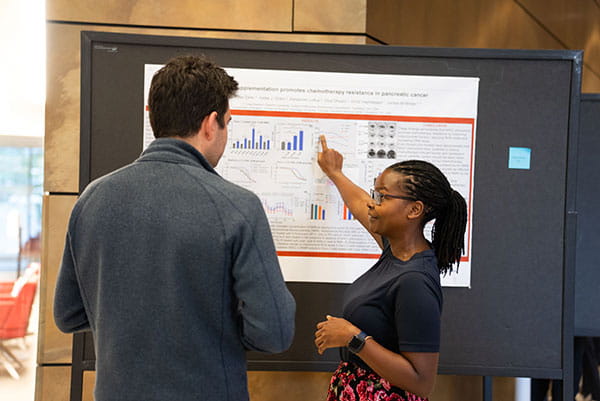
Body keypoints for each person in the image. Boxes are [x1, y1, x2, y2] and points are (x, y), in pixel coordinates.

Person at [54, 55, 296, 401]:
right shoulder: (236, 206)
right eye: (228, 122)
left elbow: (68, 314)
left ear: (153, 114)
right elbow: (274, 332)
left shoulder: (93, 199)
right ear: (211, 124)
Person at [314, 135, 467, 401]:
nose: (373, 202)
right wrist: (335, 173)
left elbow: (421, 381)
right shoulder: (395, 249)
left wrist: (353, 338)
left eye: (382, 197)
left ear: (414, 210)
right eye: (375, 193)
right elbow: (361, 203)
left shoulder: (414, 281)